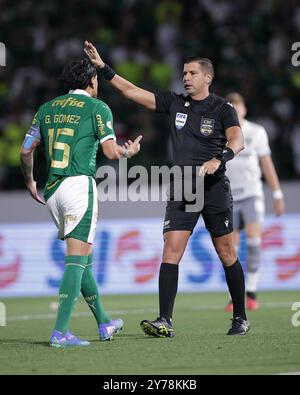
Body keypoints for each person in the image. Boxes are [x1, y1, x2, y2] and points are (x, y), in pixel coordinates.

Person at [84, 41, 249, 337]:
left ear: (207, 77)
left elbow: (238, 140)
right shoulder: (175, 103)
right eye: (184, 73)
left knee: (226, 251)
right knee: (170, 251)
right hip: (185, 188)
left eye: (192, 73)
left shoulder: (223, 108)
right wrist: (103, 69)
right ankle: (165, 320)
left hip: (213, 188)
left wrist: (219, 158)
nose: (186, 78)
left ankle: (240, 317)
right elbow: (132, 91)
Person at [20, 58, 142, 348]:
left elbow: (26, 151)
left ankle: (104, 322)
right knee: (76, 260)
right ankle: (60, 331)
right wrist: (129, 153)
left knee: (83, 258)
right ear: (92, 81)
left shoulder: (46, 109)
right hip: (78, 186)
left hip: (51, 191)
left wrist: (29, 182)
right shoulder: (97, 107)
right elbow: (111, 153)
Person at [224, 92, 284, 311]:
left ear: (244, 109)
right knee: (232, 246)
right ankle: (235, 296)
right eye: (231, 107)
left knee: (254, 240)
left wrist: (277, 193)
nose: (235, 110)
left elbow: (266, 163)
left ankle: (252, 290)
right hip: (229, 196)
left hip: (252, 194)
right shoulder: (221, 132)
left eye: (238, 106)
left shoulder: (256, 132)